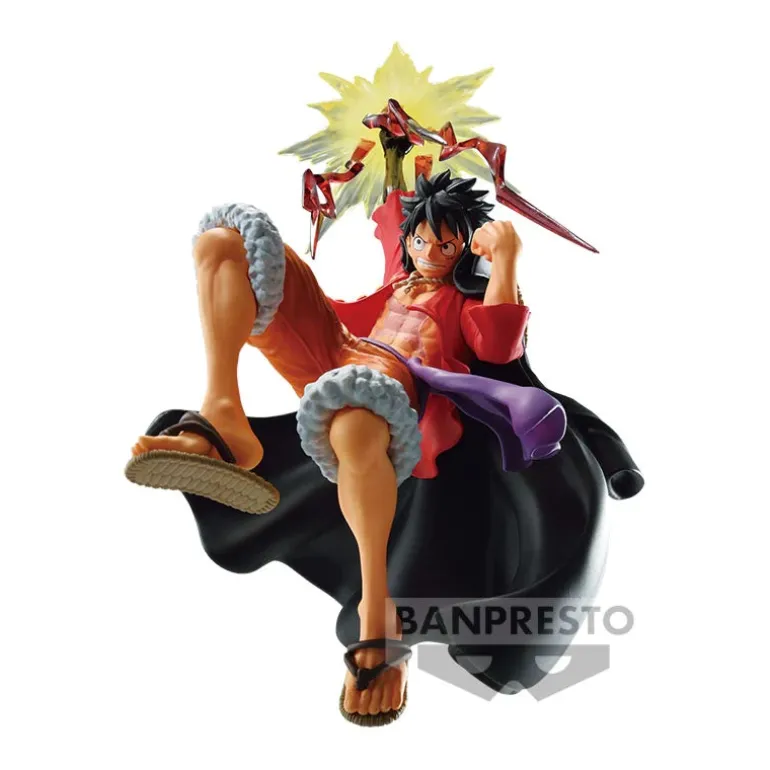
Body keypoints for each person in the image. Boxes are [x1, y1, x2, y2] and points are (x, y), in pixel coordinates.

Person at [128, 170, 569, 724]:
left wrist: (505, 256)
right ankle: (223, 418)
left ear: (464, 249)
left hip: (401, 385)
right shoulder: (398, 285)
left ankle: (377, 614)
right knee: (226, 244)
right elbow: (346, 301)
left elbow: (500, 348)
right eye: (420, 240)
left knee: (354, 422)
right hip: (342, 350)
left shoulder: (466, 300)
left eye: (445, 245)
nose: (429, 253)